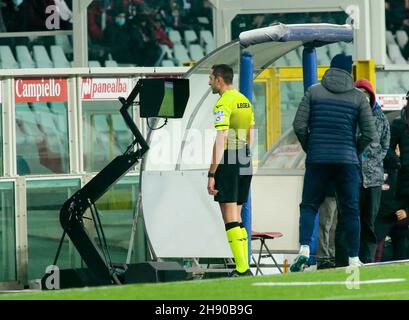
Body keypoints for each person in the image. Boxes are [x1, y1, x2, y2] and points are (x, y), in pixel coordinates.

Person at [291, 53, 377, 272]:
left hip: (318, 159)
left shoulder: (313, 91)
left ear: (330, 68)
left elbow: (299, 125)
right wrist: (353, 150)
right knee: (350, 210)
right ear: (350, 72)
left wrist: (311, 147)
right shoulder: (358, 98)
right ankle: (353, 258)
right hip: (346, 161)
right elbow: (369, 133)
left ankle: (303, 249)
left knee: (309, 205)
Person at [207, 64, 255, 277]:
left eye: (210, 78)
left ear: (219, 79)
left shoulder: (223, 102)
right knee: (238, 214)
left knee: (230, 217)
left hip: (229, 158)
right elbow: (251, 133)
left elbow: (221, 139)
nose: (209, 82)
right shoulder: (244, 100)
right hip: (245, 156)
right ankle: (244, 266)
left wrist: (211, 173)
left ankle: (242, 268)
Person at [354, 79, 390, 263]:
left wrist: (374, 161)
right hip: (352, 177)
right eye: (359, 93)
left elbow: (385, 145)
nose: (363, 97)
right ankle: (346, 260)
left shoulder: (381, 118)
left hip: (374, 180)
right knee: (350, 222)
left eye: (365, 94)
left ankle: (366, 260)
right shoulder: (351, 115)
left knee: (369, 223)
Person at [374, 148, 409, 261]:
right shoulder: (379, 167)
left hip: (401, 216)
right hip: (381, 215)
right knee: (375, 248)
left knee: (401, 249)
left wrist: (406, 211)